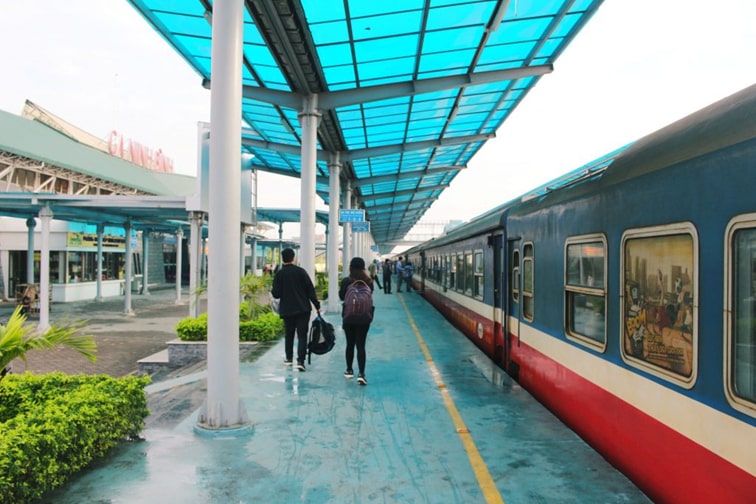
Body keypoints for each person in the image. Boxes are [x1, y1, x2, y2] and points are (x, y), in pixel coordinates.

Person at [271, 248, 321, 371]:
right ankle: (300, 361)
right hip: (303, 309)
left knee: (289, 334)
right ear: (293, 258)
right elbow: (310, 290)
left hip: (287, 310)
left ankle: (288, 359)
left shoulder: (280, 274)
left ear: (283, 258)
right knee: (302, 335)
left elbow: (276, 294)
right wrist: (317, 306)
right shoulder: (301, 272)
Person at [339, 257, 374, 385]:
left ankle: (349, 370)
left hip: (348, 317)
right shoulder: (368, 281)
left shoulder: (346, 281)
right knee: (361, 345)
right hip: (364, 318)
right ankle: (362, 374)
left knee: (350, 344)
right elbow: (370, 297)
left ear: (350, 267)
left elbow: (342, 296)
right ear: (364, 268)